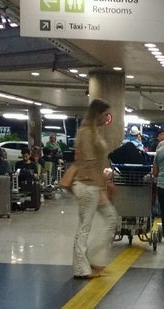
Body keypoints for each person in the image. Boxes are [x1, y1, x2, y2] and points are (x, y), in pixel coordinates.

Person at [71, 98, 118, 279]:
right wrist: (103, 188)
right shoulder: (86, 133)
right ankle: (81, 269)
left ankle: (93, 258)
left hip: (93, 185)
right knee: (84, 227)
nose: (107, 118)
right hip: (86, 185)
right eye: (105, 115)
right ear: (97, 114)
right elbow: (90, 164)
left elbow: (96, 163)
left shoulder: (94, 131)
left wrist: (104, 185)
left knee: (111, 218)